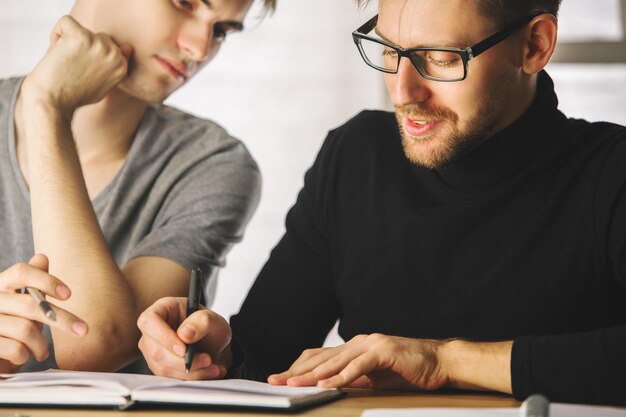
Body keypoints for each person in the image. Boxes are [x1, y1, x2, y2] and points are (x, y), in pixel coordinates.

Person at [137, 0, 626, 406]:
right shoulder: (356, 156)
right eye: (389, 50)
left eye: (440, 57)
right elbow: (267, 353)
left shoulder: (611, 172)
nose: (402, 91)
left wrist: (443, 362)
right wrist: (214, 352)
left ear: (534, 45)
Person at [0, 0, 276, 374]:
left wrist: (47, 107)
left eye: (221, 30)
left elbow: (93, 346)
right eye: (184, 3)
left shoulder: (211, 163)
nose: (199, 48)